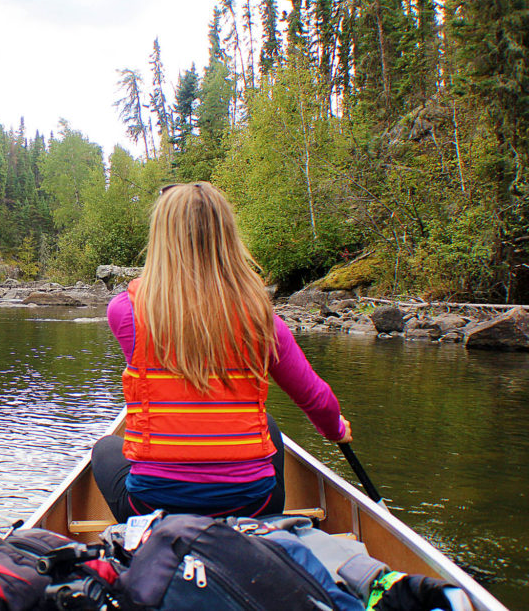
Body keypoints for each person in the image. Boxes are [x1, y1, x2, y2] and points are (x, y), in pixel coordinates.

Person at [91, 182, 352, 523]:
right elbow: (316, 398)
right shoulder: (261, 318)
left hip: (153, 506)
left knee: (105, 450)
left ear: (161, 241)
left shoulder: (126, 311)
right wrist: (335, 430)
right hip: (252, 505)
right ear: (228, 238)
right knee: (268, 425)